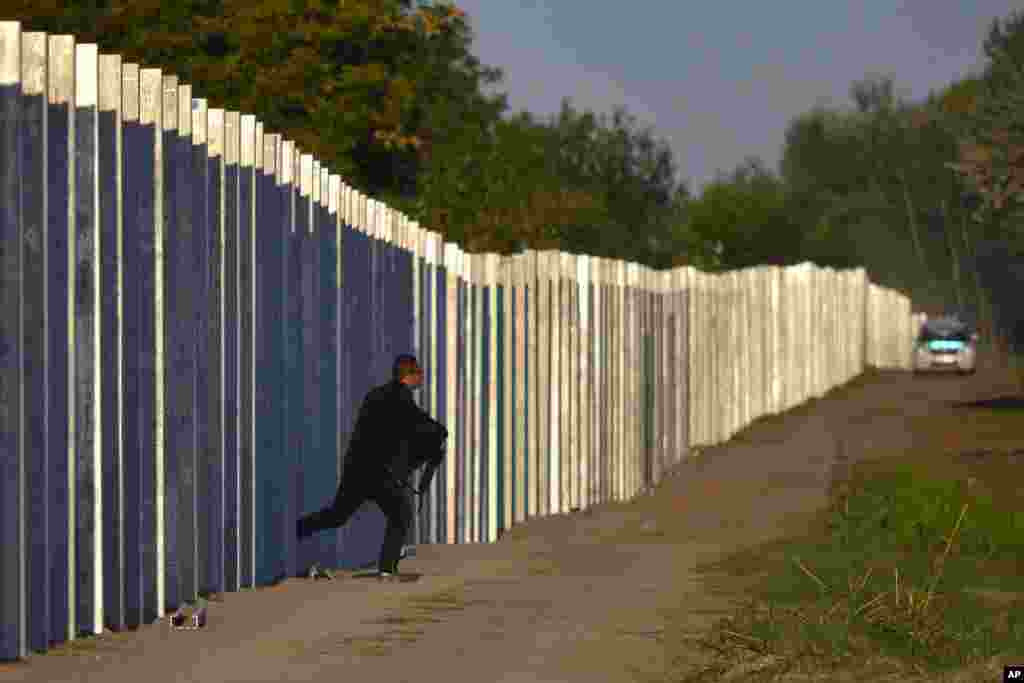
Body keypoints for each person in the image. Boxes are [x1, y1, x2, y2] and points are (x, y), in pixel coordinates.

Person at [296, 354, 447, 577]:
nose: (422, 378)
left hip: (357, 469)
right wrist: (439, 437)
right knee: (400, 514)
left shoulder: (376, 394)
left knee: (337, 515)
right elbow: (421, 426)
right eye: (419, 373)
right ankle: (387, 569)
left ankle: (298, 529)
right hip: (378, 473)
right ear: (410, 375)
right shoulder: (402, 399)